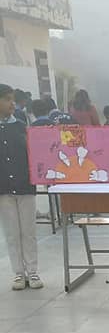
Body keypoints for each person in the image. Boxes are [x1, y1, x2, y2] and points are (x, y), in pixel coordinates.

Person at [0, 84, 43, 290]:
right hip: (4, 189)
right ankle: (19, 273)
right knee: (12, 233)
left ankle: (32, 272)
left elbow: (33, 153)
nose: (12, 104)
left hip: (25, 186)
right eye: (7, 99)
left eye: (12, 99)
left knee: (28, 231)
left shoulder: (21, 126)